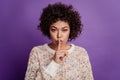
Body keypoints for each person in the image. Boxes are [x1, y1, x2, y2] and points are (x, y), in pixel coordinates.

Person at [25, 2, 94, 80]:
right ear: (48, 29)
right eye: (54, 30)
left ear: (71, 30)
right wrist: (54, 63)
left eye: (64, 30)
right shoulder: (37, 52)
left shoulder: (81, 53)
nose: (59, 35)